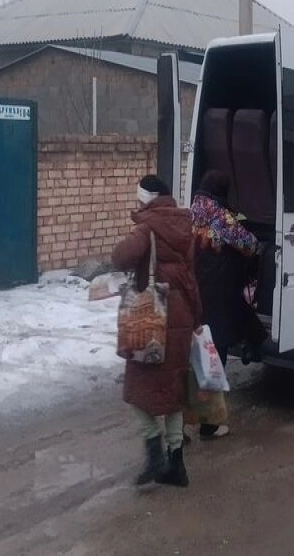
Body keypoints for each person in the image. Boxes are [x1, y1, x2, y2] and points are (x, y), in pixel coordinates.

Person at [112, 174, 202, 488]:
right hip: (180, 317)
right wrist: (196, 318)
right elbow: (191, 278)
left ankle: (154, 452)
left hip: (151, 319)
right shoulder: (183, 226)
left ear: (146, 199)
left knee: (135, 390)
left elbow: (120, 257)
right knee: (173, 391)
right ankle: (176, 465)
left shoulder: (147, 227)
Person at [190, 170, 268, 440]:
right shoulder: (221, 218)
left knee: (200, 356)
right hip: (219, 294)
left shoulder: (192, 212)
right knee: (215, 357)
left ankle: (185, 424)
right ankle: (209, 425)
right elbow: (251, 245)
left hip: (196, 292)